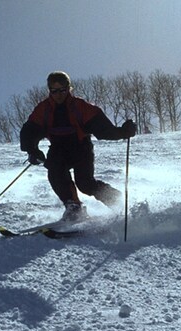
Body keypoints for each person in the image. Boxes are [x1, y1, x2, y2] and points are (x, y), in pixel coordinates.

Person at [19, 71, 136, 221]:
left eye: (62, 90)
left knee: (85, 184)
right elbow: (29, 130)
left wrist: (124, 132)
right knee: (54, 170)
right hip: (58, 149)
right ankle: (74, 208)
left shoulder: (80, 107)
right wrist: (32, 150)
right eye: (54, 91)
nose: (59, 95)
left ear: (69, 88)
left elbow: (104, 129)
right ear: (49, 91)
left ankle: (120, 203)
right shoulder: (44, 109)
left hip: (81, 148)